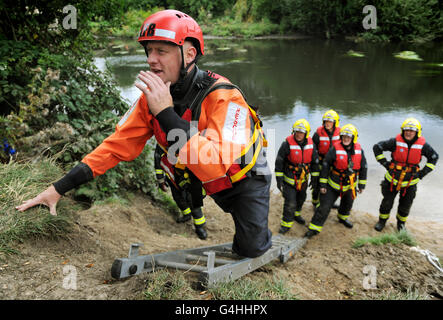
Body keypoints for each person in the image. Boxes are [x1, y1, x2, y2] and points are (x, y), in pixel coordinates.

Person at [16, 9, 272, 258]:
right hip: (206, 183)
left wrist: (165, 114)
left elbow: (214, 166)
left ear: (190, 53)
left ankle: (254, 239)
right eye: (149, 51)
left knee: (251, 248)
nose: (151, 59)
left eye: (161, 51)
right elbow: (114, 147)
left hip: (245, 180)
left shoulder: (226, 98)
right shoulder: (150, 100)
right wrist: (57, 189)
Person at [373, 118, 438, 232]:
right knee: (386, 203)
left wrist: (422, 173)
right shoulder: (395, 141)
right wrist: (384, 163)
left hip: (410, 182)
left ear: (417, 132)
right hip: (392, 180)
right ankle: (381, 222)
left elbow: (434, 157)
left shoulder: (423, 145)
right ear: (403, 131)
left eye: (412, 130)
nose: (408, 132)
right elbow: (377, 147)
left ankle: (401, 225)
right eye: (406, 130)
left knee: (405, 205)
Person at [305, 124, 367, 238]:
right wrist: (323, 184)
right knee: (324, 207)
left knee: (347, 203)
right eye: (343, 136)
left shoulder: (359, 150)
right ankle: (314, 228)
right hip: (333, 184)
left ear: (353, 138)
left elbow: (363, 167)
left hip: (350, 185)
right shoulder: (335, 148)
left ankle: (342, 218)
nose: (346, 138)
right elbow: (325, 165)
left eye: (348, 137)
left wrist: (362, 185)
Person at [275, 119, 319, 234]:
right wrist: (279, 179)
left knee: (301, 198)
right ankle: (286, 224)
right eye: (297, 132)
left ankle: (296, 214)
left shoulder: (311, 144)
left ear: (306, 133)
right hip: (289, 180)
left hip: (303, 180)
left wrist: (314, 178)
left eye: (301, 132)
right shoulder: (286, 144)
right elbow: (279, 161)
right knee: (290, 202)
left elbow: (315, 162)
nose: (298, 134)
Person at [154, 144, 207, 239]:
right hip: (173, 178)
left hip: (187, 177)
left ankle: (200, 227)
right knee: (178, 198)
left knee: (193, 202)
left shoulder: (183, 139)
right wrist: (161, 180)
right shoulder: (160, 145)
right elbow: (158, 162)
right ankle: (187, 214)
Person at [311, 109, 341, 209]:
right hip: (320, 162)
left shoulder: (340, 133)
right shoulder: (318, 133)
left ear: (335, 122)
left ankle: (329, 202)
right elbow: (312, 147)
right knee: (318, 184)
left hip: (333, 164)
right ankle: (315, 202)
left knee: (330, 185)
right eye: (326, 121)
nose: (327, 124)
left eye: (330, 122)